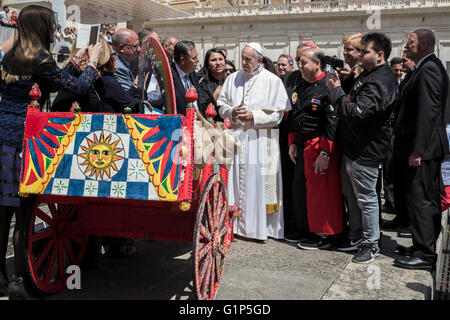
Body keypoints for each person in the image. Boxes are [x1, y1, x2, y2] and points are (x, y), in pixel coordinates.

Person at [0, 5, 102, 299]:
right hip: (24, 135)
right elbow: (77, 87)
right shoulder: (41, 56)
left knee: (4, 212)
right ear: (43, 27)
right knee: (25, 211)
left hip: (4, 130)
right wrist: (92, 63)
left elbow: (49, 80)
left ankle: (1, 276)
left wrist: (71, 62)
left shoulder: (14, 54)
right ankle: (20, 279)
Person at [326, 32, 397, 263]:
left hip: (366, 150)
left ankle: (371, 243)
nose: (358, 56)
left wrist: (336, 90)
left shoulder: (381, 80)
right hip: (353, 148)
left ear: (380, 55)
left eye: (364, 51)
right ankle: (356, 237)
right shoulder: (369, 74)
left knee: (366, 199)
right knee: (352, 195)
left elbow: (357, 112)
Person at [217, 42, 291, 241]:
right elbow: (221, 104)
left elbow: (278, 116)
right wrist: (231, 112)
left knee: (257, 186)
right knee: (234, 184)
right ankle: (234, 225)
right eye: (242, 58)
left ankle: (258, 228)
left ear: (259, 60)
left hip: (260, 140)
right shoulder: (232, 78)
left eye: (248, 59)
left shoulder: (272, 81)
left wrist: (254, 116)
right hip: (237, 138)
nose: (243, 63)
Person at [392, 29, 449, 271]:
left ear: (424, 44)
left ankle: (426, 254)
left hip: (423, 148)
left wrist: (418, 150)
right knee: (418, 197)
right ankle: (420, 244)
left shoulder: (430, 69)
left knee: (422, 199)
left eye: (410, 43)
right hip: (417, 146)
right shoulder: (424, 67)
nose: (405, 47)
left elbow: (428, 113)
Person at [290, 48, 343, 250]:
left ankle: (325, 234)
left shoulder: (327, 85)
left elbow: (332, 121)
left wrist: (325, 152)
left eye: (304, 63)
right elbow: (295, 114)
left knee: (322, 195)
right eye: (299, 62)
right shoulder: (301, 85)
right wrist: (293, 141)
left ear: (317, 64)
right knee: (305, 193)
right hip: (302, 144)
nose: (300, 66)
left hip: (318, 145)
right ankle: (310, 230)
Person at [282, 42, 317, 243]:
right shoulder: (290, 78)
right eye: (297, 60)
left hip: (311, 139)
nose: (299, 64)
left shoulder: (317, 81)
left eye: (303, 59)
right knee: (294, 185)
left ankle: (311, 228)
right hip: (291, 136)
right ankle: (295, 225)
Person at [52, 39, 141, 113]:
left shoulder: (70, 75)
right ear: (104, 56)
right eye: (113, 54)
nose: (116, 57)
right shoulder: (105, 81)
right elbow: (133, 107)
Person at [171, 40, 200, 115]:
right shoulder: (169, 76)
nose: (198, 60)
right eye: (194, 58)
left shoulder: (192, 73)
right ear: (182, 60)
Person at [111, 28, 141, 100]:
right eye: (134, 46)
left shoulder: (126, 61)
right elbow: (129, 98)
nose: (139, 49)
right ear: (121, 47)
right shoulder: (118, 67)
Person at [198, 48, 226, 122]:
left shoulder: (230, 81)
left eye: (221, 59)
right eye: (213, 60)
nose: (218, 63)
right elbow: (203, 111)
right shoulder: (202, 85)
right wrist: (216, 94)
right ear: (207, 64)